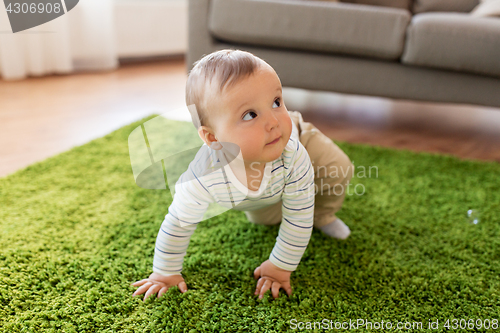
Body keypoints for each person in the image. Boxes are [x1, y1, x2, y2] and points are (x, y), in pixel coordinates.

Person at [131, 49, 354, 301]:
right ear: (214, 139)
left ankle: (324, 215)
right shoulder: (203, 176)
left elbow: (298, 215)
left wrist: (280, 266)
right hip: (260, 184)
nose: (273, 121)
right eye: (250, 115)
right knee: (266, 219)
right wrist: (165, 272)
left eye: (276, 102)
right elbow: (178, 223)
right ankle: (270, 197)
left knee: (339, 168)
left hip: (300, 138)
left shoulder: (294, 154)